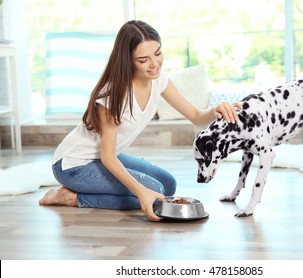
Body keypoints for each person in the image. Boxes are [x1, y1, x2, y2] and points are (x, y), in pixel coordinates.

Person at [39, 20, 239, 221]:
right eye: (143, 60)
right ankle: (71, 198)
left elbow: (196, 116)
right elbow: (108, 156)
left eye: (158, 53)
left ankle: (87, 193)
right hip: (74, 165)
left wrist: (217, 109)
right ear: (128, 60)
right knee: (153, 192)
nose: (154, 64)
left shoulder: (159, 81)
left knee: (167, 185)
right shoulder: (112, 96)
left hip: (103, 158)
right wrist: (141, 192)